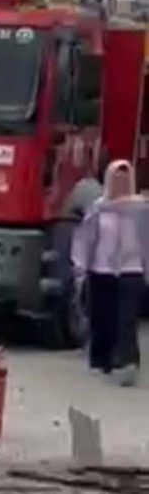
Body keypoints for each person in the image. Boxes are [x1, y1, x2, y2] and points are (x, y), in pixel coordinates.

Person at [72, 159, 149, 386]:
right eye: (117, 179)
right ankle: (101, 359)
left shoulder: (141, 210)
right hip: (102, 268)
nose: (121, 184)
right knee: (102, 317)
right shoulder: (98, 208)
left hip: (131, 269)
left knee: (126, 317)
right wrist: (81, 266)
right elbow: (86, 239)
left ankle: (128, 362)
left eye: (125, 180)